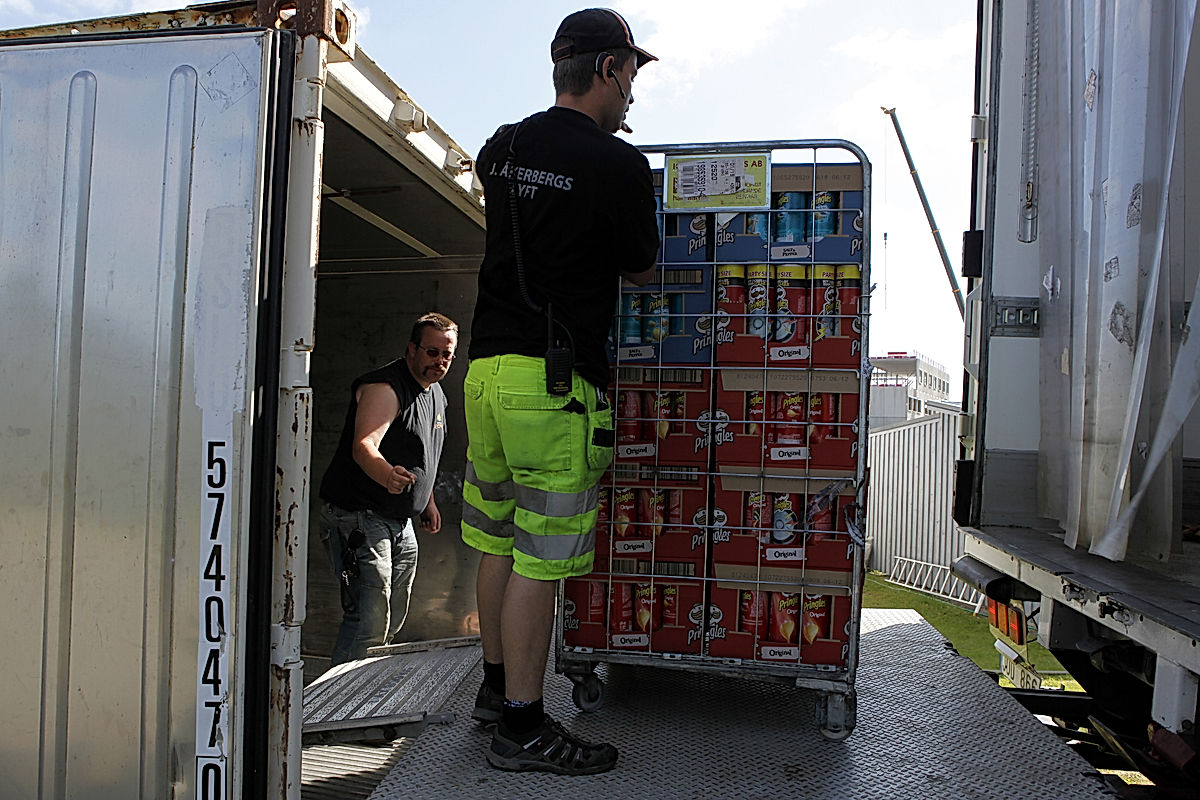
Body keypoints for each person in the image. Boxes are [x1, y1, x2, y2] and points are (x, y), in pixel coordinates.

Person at [459, 8, 660, 776]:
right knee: (541, 559)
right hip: (550, 384)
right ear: (607, 68)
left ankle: (493, 692)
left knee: (496, 539)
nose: (633, 93)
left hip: (485, 375)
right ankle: (522, 725)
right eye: (631, 75)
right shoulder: (617, 164)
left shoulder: (503, 146)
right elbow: (642, 267)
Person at [317, 312, 457, 666]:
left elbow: (422, 454)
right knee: (368, 622)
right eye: (432, 352)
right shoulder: (386, 388)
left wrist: (427, 501)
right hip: (359, 515)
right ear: (411, 349)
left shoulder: (435, 394)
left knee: (391, 619)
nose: (439, 361)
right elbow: (364, 446)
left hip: (398, 519)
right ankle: (340, 698)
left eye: (447, 355)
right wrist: (387, 475)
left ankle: (362, 686)